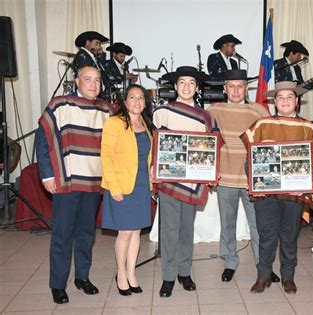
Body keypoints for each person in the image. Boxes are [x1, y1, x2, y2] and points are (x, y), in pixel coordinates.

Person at [36, 66, 113, 304]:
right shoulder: (60, 105)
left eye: (97, 80)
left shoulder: (107, 110)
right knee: (62, 234)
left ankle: (82, 277)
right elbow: (43, 140)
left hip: (93, 182)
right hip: (66, 182)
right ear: (77, 81)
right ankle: (58, 285)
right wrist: (47, 176)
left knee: (86, 234)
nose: (93, 84)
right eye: (87, 79)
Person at [242, 81, 313, 295]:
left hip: (294, 195)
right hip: (266, 194)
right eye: (281, 97)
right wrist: (255, 182)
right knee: (266, 235)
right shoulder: (261, 124)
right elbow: (250, 159)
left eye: (289, 97)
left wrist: (306, 185)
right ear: (274, 101)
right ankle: (263, 276)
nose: (285, 101)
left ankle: (288, 276)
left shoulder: (308, 127)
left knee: (289, 236)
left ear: (296, 101)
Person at [208, 69, 282, 283]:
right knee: (227, 224)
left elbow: (274, 137)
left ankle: (264, 264)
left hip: (253, 181)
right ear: (224, 89)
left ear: (246, 88)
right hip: (225, 179)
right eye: (231, 86)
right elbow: (205, 141)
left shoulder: (258, 110)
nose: (236, 90)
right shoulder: (214, 110)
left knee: (259, 225)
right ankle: (230, 261)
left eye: (240, 86)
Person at [153, 66, 218, 298]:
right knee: (169, 229)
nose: (187, 87)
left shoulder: (206, 116)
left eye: (191, 83)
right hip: (169, 180)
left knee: (186, 229)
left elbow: (214, 147)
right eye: (182, 82)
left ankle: (184, 272)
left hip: (193, 181)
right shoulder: (163, 112)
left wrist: (212, 173)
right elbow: (155, 146)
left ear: (197, 87)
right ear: (175, 86)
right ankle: (168, 277)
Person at [100, 84, 154, 296]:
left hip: (141, 185)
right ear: (125, 102)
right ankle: (121, 274)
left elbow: (148, 157)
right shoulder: (114, 123)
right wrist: (114, 187)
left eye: (141, 98)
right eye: (132, 97)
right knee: (124, 233)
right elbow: (107, 157)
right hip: (121, 185)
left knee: (137, 232)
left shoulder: (146, 124)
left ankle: (132, 273)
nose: (137, 101)